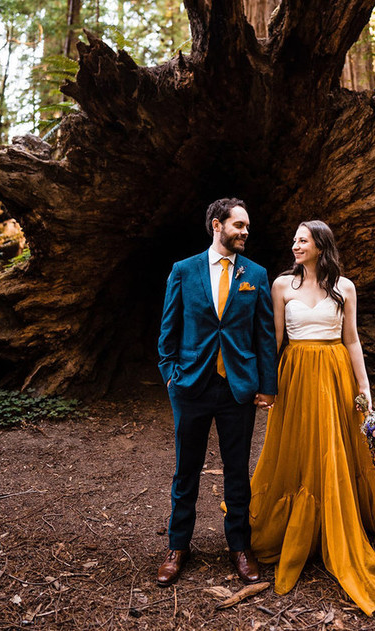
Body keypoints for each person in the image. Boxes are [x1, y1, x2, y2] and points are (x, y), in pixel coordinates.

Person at [249, 220, 375, 615]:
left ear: (320, 246)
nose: (294, 245)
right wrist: (265, 383)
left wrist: (364, 387)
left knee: (335, 444)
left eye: (302, 240)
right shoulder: (280, 286)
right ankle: (299, 522)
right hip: (295, 373)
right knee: (300, 444)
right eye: (293, 239)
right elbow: (275, 339)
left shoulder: (344, 288)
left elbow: (352, 338)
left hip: (334, 372)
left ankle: (344, 513)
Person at [157, 198, 277, 587]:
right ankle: (177, 547)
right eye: (238, 225)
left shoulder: (255, 274)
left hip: (237, 389)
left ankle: (240, 548)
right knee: (185, 470)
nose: (244, 232)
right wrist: (170, 375)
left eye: (246, 227)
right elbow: (168, 330)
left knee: (237, 472)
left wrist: (266, 386)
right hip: (190, 386)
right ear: (216, 225)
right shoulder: (183, 270)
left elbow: (264, 337)